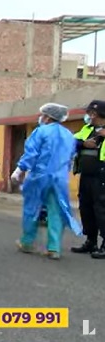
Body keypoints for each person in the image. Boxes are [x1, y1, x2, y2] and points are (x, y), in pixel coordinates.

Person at [10, 103, 82, 260]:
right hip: (60, 179)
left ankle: (28, 242)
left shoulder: (40, 131)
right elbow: (70, 158)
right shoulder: (69, 135)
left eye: (42, 115)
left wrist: (20, 170)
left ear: (48, 116)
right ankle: (54, 248)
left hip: (39, 177)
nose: (40, 117)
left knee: (32, 209)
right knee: (56, 212)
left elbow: (31, 154)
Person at [71, 100, 105, 259]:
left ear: (96, 114)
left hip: (102, 176)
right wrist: (83, 143)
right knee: (86, 208)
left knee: (102, 210)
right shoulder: (87, 129)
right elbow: (71, 140)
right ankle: (91, 241)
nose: (88, 116)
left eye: (90, 113)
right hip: (86, 175)